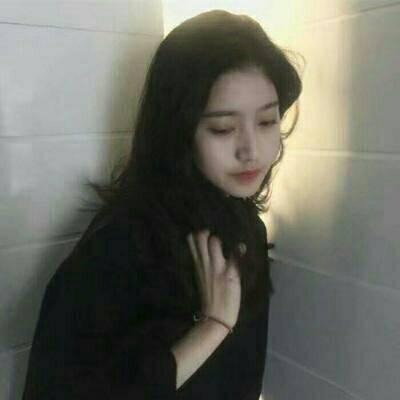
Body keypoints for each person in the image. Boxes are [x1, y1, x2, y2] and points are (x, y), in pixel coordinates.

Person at [22, 9, 302, 400]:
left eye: (268, 122)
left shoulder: (246, 231)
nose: (251, 150)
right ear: (178, 131)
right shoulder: (119, 246)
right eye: (223, 128)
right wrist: (212, 326)